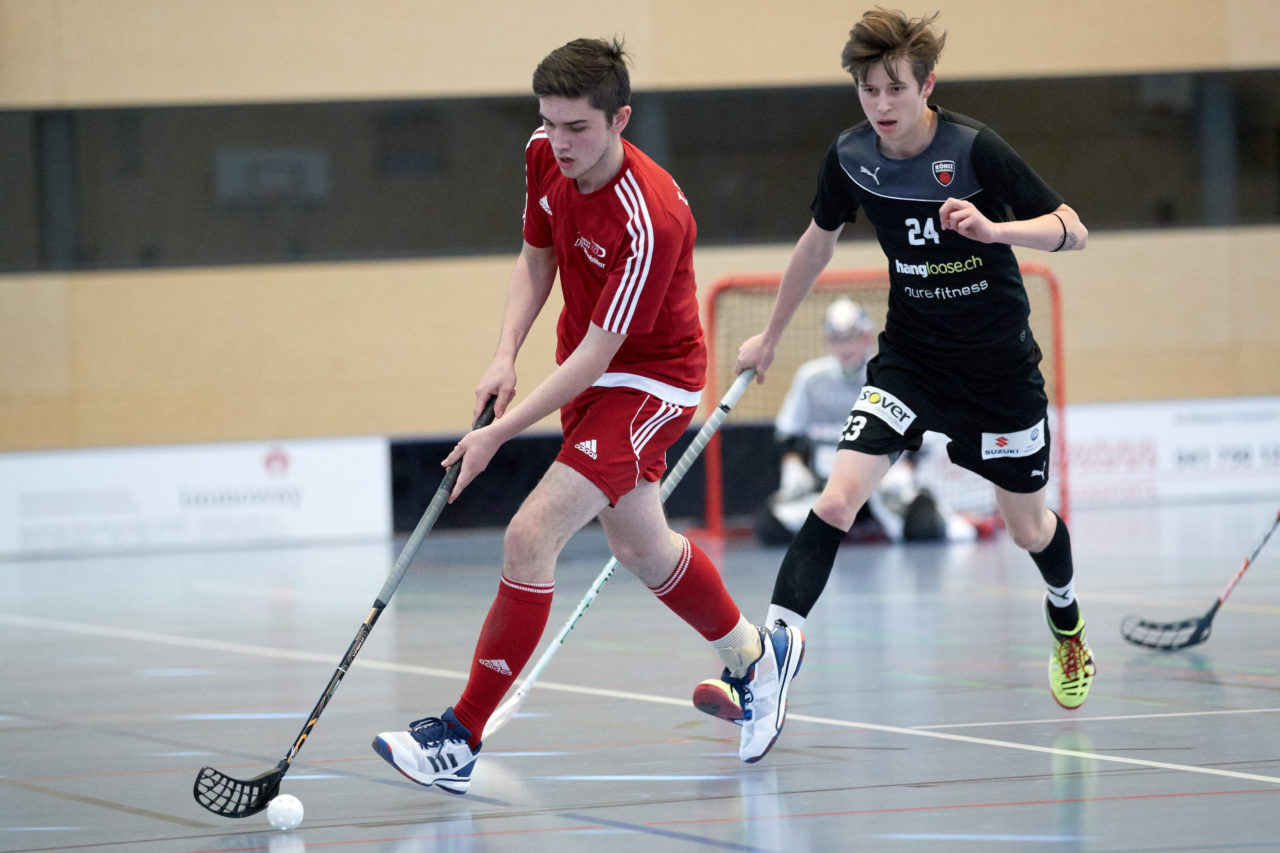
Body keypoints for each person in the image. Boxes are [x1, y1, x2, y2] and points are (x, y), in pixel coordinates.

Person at [370, 37, 803, 794]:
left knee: (529, 533)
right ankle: (757, 658)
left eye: (578, 127)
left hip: (650, 382)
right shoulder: (544, 154)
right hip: (589, 371)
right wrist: (505, 353)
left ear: (620, 119)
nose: (560, 142)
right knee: (641, 546)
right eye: (550, 123)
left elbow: (602, 356)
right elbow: (536, 255)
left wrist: (498, 433)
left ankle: (459, 735)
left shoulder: (651, 217)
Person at [693, 10, 1093, 726]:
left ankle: (1066, 622)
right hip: (910, 361)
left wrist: (996, 228)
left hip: (997, 372)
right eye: (867, 89)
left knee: (1030, 528)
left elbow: (1073, 229)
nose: (880, 104)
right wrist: (771, 336)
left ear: (927, 85)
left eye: (894, 89)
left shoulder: (975, 150)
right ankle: (770, 655)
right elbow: (816, 243)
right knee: (836, 499)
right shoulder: (850, 157)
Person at [755, 297, 977, 546]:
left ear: (867, 337)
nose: (845, 347)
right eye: (837, 339)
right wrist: (793, 466)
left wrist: (906, 470)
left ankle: (941, 517)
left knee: (924, 528)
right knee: (769, 526)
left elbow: (924, 435)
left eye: (852, 337)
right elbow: (789, 431)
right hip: (829, 489)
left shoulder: (890, 374)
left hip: (886, 485)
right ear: (827, 341)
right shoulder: (811, 379)